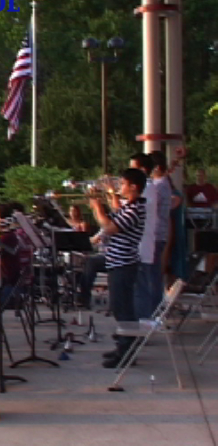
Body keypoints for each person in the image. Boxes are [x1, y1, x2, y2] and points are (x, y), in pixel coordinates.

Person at [88, 168, 146, 368]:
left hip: (124, 264)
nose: (121, 187)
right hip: (118, 263)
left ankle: (127, 352)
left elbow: (110, 227)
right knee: (119, 308)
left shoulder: (135, 209)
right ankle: (122, 346)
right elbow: (116, 212)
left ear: (133, 187)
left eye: (123, 184)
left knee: (123, 310)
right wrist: (111, 193)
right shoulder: (130, 206)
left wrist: (96, 207)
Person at [129, 153, 158, 320]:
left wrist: (112, 195)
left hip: (141, 246)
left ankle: (143, 324)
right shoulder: (145, 187)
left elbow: (131, 209)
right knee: (137, 289)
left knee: (141, 290)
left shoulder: (148, 187)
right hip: (136, 246)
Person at [149, 151, 172, 313]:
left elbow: (148, 208)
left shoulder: (159, 185)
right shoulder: (161, 184)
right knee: (154, 275)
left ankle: (153, 310)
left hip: (156, 234)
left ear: (156, 167)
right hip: (158, 233)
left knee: (152, 277)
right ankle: (155, 308)